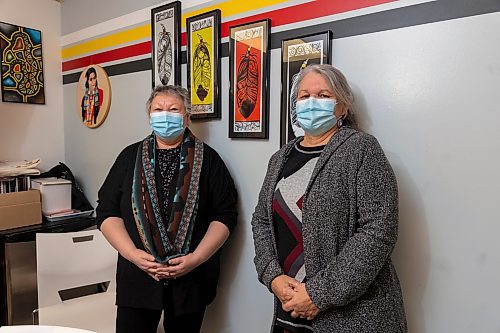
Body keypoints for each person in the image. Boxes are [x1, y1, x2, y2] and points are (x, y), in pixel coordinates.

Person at [251, 64, 407, 333]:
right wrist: (272, 275)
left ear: (343, 107)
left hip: (352, 315)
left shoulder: (361, 149)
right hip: (289, 309)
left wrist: (318, 294)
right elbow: (261, 221)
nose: (312, 102)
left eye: (323, 95)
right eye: (304, 95)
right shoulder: (280, 158)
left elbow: (378, 231)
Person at [96, 85, 238, 333]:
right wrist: (132, 254)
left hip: (190, 279)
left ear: (187, 117)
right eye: (158, 109)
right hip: (138, 277)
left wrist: (196, 258)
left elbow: (225, 215)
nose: (165, 115)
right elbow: (107, 212)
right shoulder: (129, 157)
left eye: (173, 109)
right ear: (149, 115)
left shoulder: (210, 160)